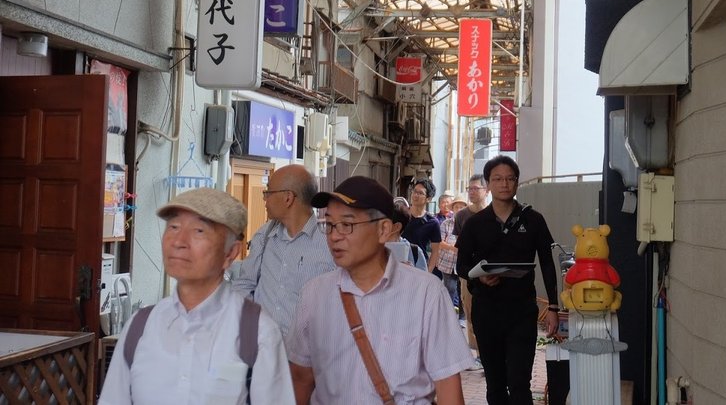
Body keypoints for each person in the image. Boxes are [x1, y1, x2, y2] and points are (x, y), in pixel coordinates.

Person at [287, 176, 474, 405]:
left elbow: (448, 390)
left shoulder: (426, 293)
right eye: (329, 225)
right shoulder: (314, 295)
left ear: (384, 230)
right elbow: (301, 379)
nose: (335, 235)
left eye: (347, 224)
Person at [99, 188, 294, 404]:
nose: (179, 241)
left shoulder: (258, 332)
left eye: (199, 231)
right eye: (173, 227)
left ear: (230, 253)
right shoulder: (141, 326)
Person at [456, 156, 559, 405]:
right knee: (495, 384)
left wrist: (554, 307)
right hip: (486, 311)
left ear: (517, 183)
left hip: (522, 312)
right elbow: (462, 266)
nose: (504, 184)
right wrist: (481, 280)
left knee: (519, 382)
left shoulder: (533, 220)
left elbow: (546, 262)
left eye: (510, 178)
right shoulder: (475, 223)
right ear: (488, 184)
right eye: (497, 179)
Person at [233, 164, 335, 337]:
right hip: (261, 351)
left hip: (306, 358)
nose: (264, 199)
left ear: (288, 198)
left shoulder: (330, 243)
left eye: (268, 192)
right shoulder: (264, 236)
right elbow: (244, 284)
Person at [453, 174, 488, 358]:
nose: (472, 192)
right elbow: (458, 243)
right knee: (470, 311)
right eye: (470, 189)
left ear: (486, 190)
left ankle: (487, 353)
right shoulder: (461, 215)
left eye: (476, 188)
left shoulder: (494, 213)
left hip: (491, 271)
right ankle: (479, 353)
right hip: (468, 272)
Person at [436, 195, 467, 312]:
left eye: (461, 207)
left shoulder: (468, 223)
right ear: (453, 209)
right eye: (456, 207)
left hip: (463, 262)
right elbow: (439, 242)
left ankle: (462, 318)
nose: (459, 209)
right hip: (447, 262)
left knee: (463, 291)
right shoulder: (446, 223)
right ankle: (447, 314)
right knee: (449, 289)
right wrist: (453, 248)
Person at [404, 178, 441, 274]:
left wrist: (428, 272)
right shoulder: (401, 214)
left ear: (428, 199)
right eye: (414, 191)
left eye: (420, 193)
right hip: (399, 262)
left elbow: (435, 251)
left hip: (419, 265)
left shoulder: (432, 222)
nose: (415, 195)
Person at [387, 198, 428, 271]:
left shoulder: (414, 252)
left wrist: (411, 273)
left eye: (383, 222)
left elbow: (424, 281)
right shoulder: (369, 249)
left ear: (397, 226)